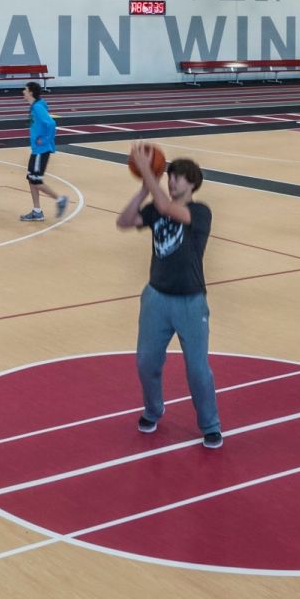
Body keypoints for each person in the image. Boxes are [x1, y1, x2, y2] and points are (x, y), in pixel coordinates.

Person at [119, 153, 220, 449]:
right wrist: (143, 190)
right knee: (146, 362)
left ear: (192, 183)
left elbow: (167, 207)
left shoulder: (200, 212)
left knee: (198, 369)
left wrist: (147, 170)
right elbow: (124, 221)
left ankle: (210, 424)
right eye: (170, 176)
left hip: (191, 301)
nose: (172, 181)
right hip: (156, 298)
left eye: (178, 177)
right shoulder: (157, 209)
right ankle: (153, 410)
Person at [19, 81, 73, 222]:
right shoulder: (35, 106)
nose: (23, 92)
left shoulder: (37, 107)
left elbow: (51, 123)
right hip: (36, 150)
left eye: (25, 90)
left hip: (41, 150)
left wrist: (44, 140)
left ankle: (60, 199)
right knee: (31, 179)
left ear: (31, 92)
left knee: (36, 181)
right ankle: (37, 211)